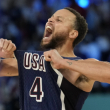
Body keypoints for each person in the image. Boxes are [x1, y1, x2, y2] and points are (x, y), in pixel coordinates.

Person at [0, 7, 109, 110]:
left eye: (59, 20)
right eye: (50, 18)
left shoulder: (78, 67)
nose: (49, 20)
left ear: (72, 33)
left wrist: (63, 62)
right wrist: (4, 51)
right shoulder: (32, 61)